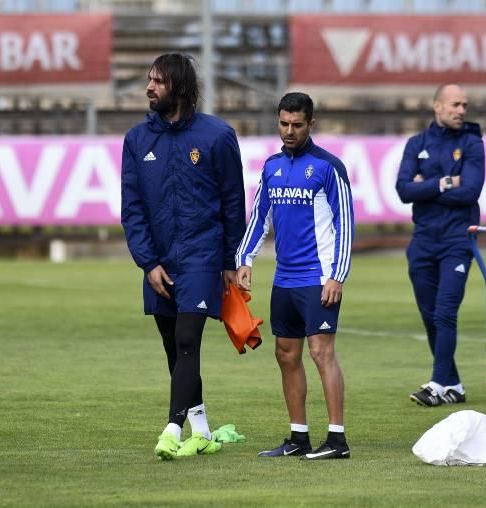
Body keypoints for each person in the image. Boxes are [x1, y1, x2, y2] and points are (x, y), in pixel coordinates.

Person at [121, 53, 247, 459]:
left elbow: (232, 201)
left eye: (157, 81)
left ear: (177, 85)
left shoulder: (217, 136)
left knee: (188, 338)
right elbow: (132, 207)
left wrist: (231, 260)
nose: (149, 88)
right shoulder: (137, 140)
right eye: (149, 80)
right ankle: (203, 430)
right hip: (159, 260)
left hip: (201, 255)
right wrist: (148, 262)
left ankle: (172, 427)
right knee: (173, 348)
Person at [236, 92, 354, 460]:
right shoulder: (270, 167)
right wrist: (244, 259)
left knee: (322, 353)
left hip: (319, 278)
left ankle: (337, 440)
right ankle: (298, 437)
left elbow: (346, 224)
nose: (289, 131)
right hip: (284, 280)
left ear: (310, 124)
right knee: (286, 355)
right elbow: (259, 217)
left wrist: (338, 275)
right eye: (284, 124)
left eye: (297, 125)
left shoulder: (327, 167)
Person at [395, 84, 486, 407]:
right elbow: (404, 190)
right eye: (455, 104)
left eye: (465, 104)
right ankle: (454, 384)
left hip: (457, 240)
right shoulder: (416, 143)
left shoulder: (472, 144)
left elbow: (470, 191)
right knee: (430, 314)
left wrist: (427, 187)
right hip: (422, 240)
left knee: (446, 312)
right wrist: (448, 182)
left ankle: (437, 384)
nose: (462, 110)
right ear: (437, 106)